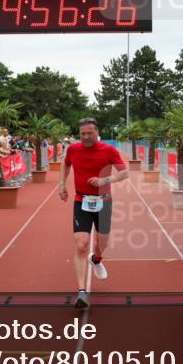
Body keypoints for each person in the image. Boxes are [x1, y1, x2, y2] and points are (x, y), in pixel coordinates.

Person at [58, 117, 128, 309]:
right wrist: (62, 185)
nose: (86, 137)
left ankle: (96, 259)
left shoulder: (109, 150)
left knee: (102, 243)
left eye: (90, 133)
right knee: (81, 245)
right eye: (83, 134)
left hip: (104, 203)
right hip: (81, 201)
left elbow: (124, 173)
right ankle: (81, 292)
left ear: (97, 131)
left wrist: (104, 181)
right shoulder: (73, 149)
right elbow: (65, 164)